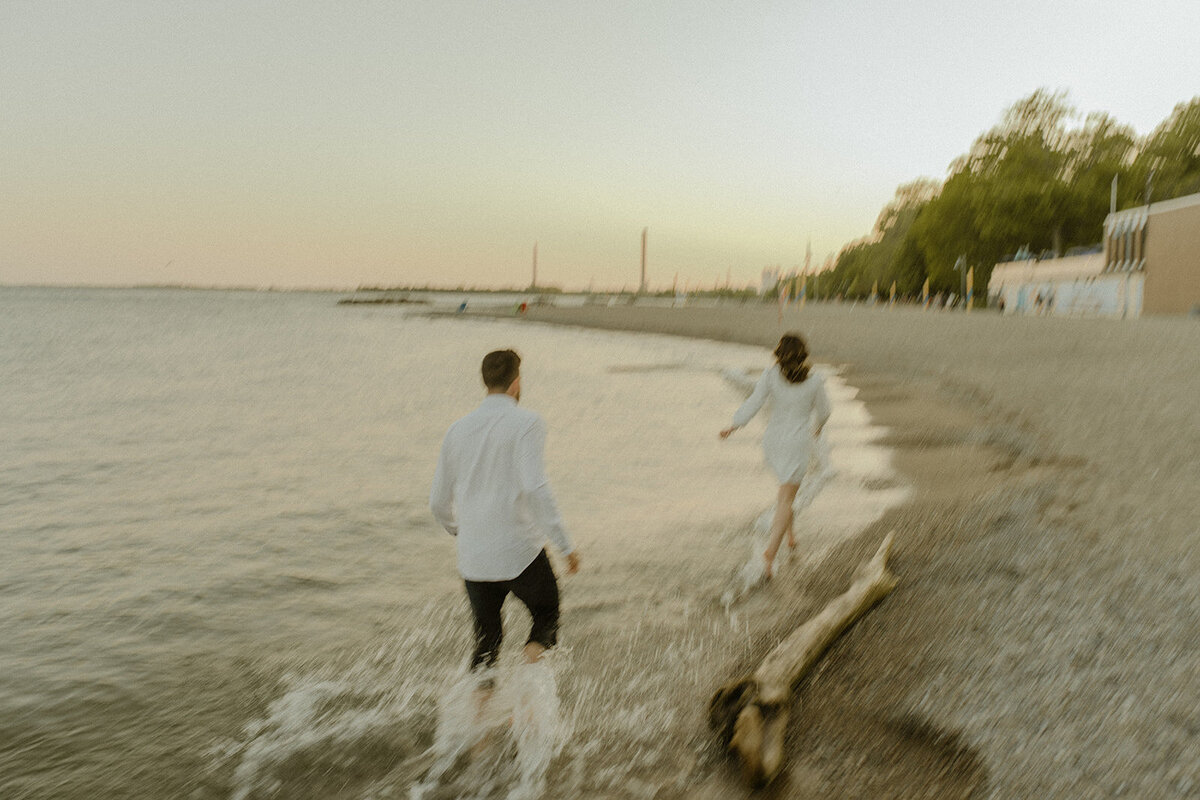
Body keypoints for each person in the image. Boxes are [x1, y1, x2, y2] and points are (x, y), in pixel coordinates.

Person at [430, 349, 580, 683]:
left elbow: (438, 502)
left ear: (486, 382)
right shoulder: (527, 422)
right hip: (519, 552)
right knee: (546, 614)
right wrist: (565, 546)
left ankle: (478, 731)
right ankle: (525, 705)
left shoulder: (457, 430)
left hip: (475, 558)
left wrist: (462, 531)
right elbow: (535, 488)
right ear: (516, 383)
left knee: (486, 644)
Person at [719, 333, 832, 578]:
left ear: (779, 356)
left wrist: (734, 425)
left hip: (773, 443)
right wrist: (819, 427)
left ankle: (790, 536)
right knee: (786, 499)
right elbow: (825, 411)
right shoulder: (814, 381)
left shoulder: (770, 376)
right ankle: (770, 553)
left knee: (785, 493)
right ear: (803, 355)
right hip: (797, 444)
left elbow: (754, 402)